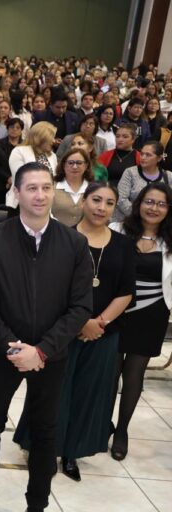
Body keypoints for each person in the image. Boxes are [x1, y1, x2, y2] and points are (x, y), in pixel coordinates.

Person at [0, 162, 92, 512]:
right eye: (32, 188)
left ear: (54, 192)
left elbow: (80, 307)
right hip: (0, 353)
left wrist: (41, 350)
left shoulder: (74, 243)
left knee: (45, 431)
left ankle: (37, 504)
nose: (40, 195)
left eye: (46, 187)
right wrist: (13, 347)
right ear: (16, 193)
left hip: (49, 357)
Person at [14, 181, 134, 481]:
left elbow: (126, 291)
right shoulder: (61, 238)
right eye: (95, 200)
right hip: (60, 330)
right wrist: (82, 322)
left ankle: (71, 453)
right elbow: (49, 285)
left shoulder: (122, 245)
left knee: (88, 394)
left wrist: (99, 323)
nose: (101, 207)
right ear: (82, 203)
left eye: (109, 202)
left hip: (104, 334)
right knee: (52, 393)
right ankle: (40, 449)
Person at [109, 183, 172, 461]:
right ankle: (101, 425)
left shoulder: (170, 241)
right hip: (116, 312)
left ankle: (122, 430)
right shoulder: (118, 230)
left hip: (152, 314)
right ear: (138, 203)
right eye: (149, 202)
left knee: (134, 375)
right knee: (109, 374)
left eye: (161, 204)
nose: (154, 208)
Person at [116, 141, 171, 222]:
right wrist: (141, 215)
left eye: (148, 155)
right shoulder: (130, 172)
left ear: (159, 158)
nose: (143, 157)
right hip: (131, 220)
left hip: (160, 223)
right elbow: (121, 199)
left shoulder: (168, 176)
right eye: (142, 154)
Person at [6, 121, 57, 207]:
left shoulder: (52, 156)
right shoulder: (19, 152)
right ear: (41, 138)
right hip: (21, 203)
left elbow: (54, 180)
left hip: (45, 202)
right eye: (51, 137)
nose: (53, 141)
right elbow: (20, 178)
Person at [51, 147, 93, 226]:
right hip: (56, 234)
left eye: (79, 163)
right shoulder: (51, 186)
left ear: (86, 165)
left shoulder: (93, 189)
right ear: (63, 165)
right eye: (70, 163)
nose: (74, 167)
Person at [0, 117, 24, 205]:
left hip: (19, 185)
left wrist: (14, 179)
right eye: (11, 127)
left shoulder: (25, 146)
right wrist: (7, 178)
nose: (14, 129)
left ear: (21, 130)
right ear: (7, 129)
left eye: (17, 127)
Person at [98, 124, 141, 188]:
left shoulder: (140, 157)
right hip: (106, 190)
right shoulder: (105, 155)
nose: (120, 139)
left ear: (133, 139)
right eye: (117, 136)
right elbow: (97, 177)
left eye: (125, 137)